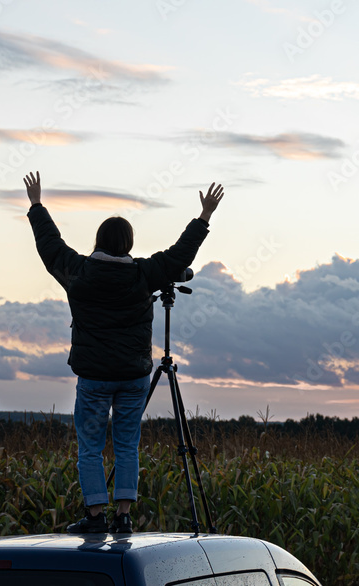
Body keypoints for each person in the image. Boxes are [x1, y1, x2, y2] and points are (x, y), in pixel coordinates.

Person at [24, 171, 224, 534]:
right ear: (129, 243)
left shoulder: (78, 271)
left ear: (98, 241)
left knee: (90, 447)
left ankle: (96, 518)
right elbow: (180, 254)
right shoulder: (144, 273)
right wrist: (204, 216)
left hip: (94, 376)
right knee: (127, 445)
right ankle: (124, 516)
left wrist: (36, 205)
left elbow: (50, 246)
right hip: (133, 376)